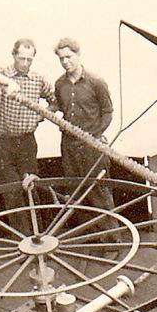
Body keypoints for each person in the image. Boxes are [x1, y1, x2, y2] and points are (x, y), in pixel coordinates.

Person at [0, 38, 55, 235]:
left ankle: (39, 237)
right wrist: (8, 82)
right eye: (21, 58)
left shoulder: (37, 79)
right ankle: (22, 238)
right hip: (3, 142)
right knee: (11, 191)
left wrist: (42, 114)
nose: (25, 63)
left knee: (31, 187)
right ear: (13, 55)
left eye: (29, 59)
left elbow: (55, 101)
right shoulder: (3, 73)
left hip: (27, 142)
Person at [52, 38, 120, 242]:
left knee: (99, 192)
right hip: (69, 147)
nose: (65, 62)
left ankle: (113, 241)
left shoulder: (96, 82)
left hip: (92, 148)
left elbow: (108, 112)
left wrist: (95, 135)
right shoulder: (59, 84)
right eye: (61, 58)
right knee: (76, 193)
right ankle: (93, 241)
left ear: (78, 55)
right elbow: (62, 110)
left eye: (69, 57)